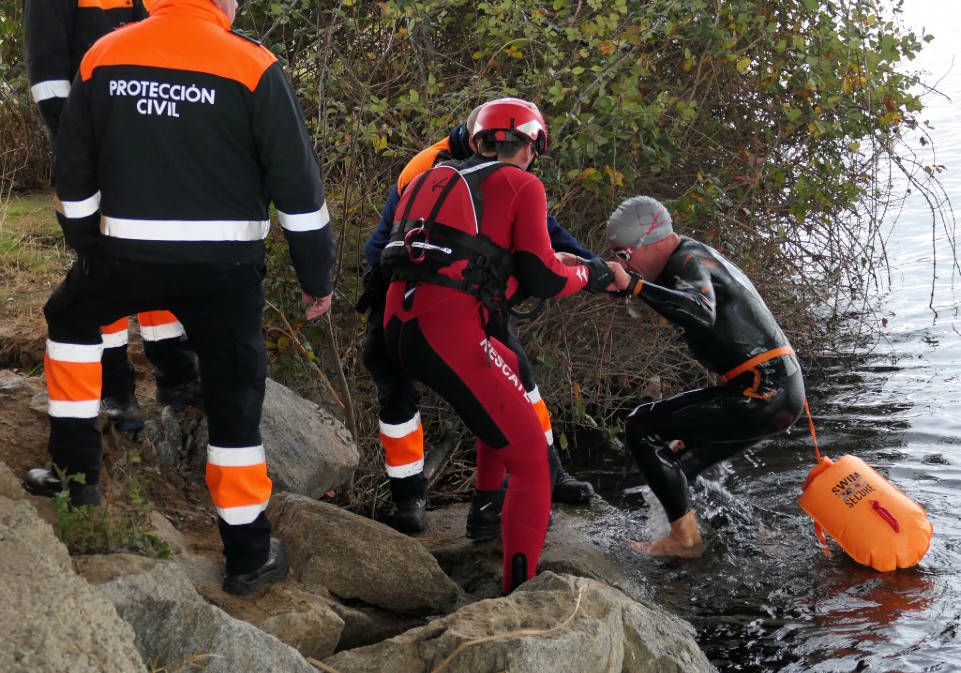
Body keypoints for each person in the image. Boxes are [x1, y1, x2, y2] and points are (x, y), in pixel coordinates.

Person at [34, 0, 335, 595]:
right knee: (234, 396)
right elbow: (298, 187)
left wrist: (84, 239)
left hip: (126, 258)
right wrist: (315, 275)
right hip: (225, 272)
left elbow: (73, 166)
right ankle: (248, 552)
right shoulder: (253, 65)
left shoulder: (105, 53)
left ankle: (74, 477)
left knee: (69, 317)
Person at [382, 97, 618, 593]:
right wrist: (593, 274)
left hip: (397, 328)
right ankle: (520, 590)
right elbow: (545, 276)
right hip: (447, 333)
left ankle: (488, 513)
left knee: (507, 371)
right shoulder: (521, 183)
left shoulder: (429, 177)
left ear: (479, 138)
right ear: (530, 144)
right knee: (532, 458)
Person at [22, 0, 199, 436]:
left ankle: (176, 374)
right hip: (92, 149)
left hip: (148, 145)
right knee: (101, 258)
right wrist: (85, 144)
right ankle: (115, 388)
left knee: (158, 250)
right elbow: (48, 81)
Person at [603, 196, 806, 557]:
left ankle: (685, 541)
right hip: (777, 390)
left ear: (651, 241)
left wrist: (636, 287)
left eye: (623, 253)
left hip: (762, 391)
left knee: (640, 427)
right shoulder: (690, 257)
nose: (624, 263)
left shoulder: (689, 260)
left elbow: (701, 313)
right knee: (679, 467)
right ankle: (757, 534)